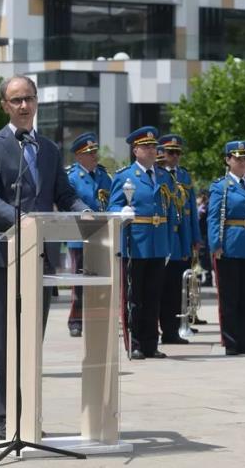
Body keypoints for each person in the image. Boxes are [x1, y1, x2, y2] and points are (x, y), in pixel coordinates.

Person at [0, 74, 89, 440]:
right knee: (2, 342)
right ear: (5, 106)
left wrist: (88, 213)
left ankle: (28, 415)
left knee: (30, 340)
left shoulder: (50, 149)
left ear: (37, 102)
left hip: (40, 256)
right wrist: (20, 219)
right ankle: (4, 418)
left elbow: (65, 195)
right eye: (17, 100)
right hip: (3, 253)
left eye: (29, 98)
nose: (24, 106)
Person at [107, 126, 175, 360]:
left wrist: (168, 244)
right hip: (135, 243)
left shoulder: (164, 177)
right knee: (134, 298)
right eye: (146, 147)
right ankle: (134, 343)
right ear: (135, 150)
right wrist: (121, 211)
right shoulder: (125, 176)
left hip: (158, 243)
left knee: (154, 297)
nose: (151, 150)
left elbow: (170, 212)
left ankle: (151, 343)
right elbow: (112, 206)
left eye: (154, 146)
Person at [208, 140, 245, 356]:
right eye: (238, 158)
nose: (243, 162)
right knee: (230, 298)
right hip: (230, 245)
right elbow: (214, 217)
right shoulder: (221, 187)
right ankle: (231, 342)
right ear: (228, 160)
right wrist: (216, 244)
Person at [64, 132, 112, 338]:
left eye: (95, 152)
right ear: (78, 156)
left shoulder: (104, 176)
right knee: (80, 284)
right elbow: (68, 205)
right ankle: (75, 321)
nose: (95, 156)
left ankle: (97, 319)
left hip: (102, 236)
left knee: (101, 282)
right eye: (89, 153)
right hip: (80, 237)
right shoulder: (71, 178)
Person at [156, 134, 202, 344]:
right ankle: (155, 328)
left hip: (180, 239)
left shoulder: (184, 176)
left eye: (177, 153)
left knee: (177, 289)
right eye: (170, 152)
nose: (174, 156)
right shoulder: (157, 174)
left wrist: (195, 237)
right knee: (159, 288)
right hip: (161, 239)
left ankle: (172, 330)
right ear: (162, 153)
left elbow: (191, 210)